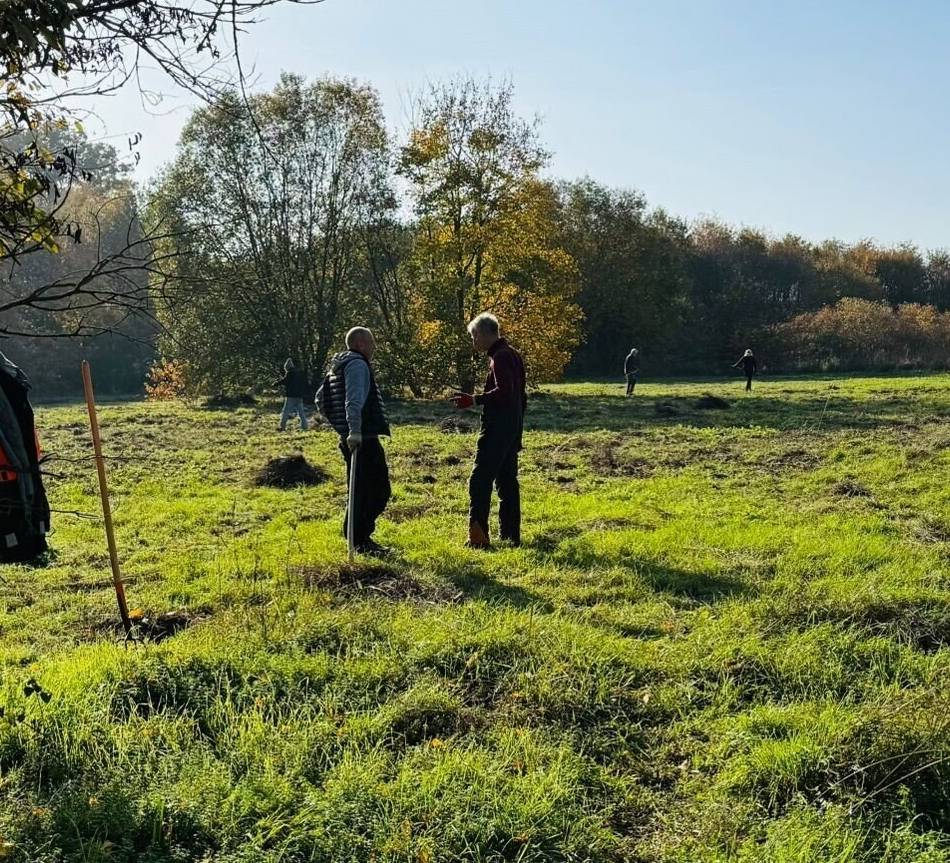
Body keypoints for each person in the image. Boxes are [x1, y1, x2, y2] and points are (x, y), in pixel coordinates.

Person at [452, 313, 527, 548]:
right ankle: (510, 536)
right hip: (512, 427)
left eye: (474, 337)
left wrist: (474, 400)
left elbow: (504, 392)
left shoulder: (500, 358)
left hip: (497, 430)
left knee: (480, 479)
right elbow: (519, 396)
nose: (474, 342)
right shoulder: (512, 354)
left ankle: (478, 537)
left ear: (485, 334)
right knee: (507, 482)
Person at [316, 327, 391, 557]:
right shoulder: (357, 364)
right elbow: (353, 401)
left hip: (349, 437)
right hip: (363, 438)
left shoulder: (336, 366)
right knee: (378, 491)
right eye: (372, 343)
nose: (374, 348)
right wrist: (354, 430)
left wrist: (339, 426)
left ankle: (355, 536)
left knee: (358, 489)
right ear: (360, 344)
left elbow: (320, 400)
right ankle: (360, 538)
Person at [275, 358, 309, 431]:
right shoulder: (299, 373)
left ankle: (282, 427)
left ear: (287, 367)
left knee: (286, 411)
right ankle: (305, 427)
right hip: (299, 396)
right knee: (301, 412)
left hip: (291, 396)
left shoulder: (290, 373)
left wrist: (276, 384)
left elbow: (285, 381)